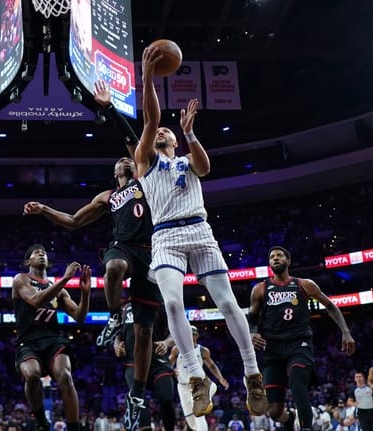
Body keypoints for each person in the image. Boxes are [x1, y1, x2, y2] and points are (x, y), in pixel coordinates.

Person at [133, 44, 266, 418]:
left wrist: (191, 134)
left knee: (227, 303)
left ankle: (251, 373)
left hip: (200, 231)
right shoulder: (145, 160)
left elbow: (205, 168)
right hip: (166, 238)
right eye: (157, 131)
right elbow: (150, 116)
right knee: (173, 303)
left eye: (166, 132)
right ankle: (193, 376)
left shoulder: (188, 158)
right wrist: (146, 78)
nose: (160, 131)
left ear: (174, 140)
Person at [23, 80, 161, 431]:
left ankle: (138, 394)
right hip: (124, 247)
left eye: (128, 159)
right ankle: (115, 316)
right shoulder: (107, 197)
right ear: (115, 174)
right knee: (113, 265)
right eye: (120, 164)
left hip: (153, 252)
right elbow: (73, 221)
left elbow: (133, 137)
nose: (125, 162)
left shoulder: (145, 179)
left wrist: (109, 108)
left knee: (144, 332)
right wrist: (44, 210)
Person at [249, 246, 356, 431]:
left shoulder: (304, 284)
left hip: (299, 344)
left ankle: (306, 428)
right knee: (274, 412)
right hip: (272, 348)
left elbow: (330, 306)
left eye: (279, 255)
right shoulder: (260, 289)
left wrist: (345, 332)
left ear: (288, 261)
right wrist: (252, 332)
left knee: (298, 386)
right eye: (272, 256)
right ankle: (289, 417)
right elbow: (252, 317)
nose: (275, 258)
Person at [13, 244, 91, 431]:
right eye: (36, 253)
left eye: (44, 253)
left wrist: (85, 293)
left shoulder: (59, 289)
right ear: (27, 261)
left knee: (65, 376)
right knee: (32, 375)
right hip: (28, 341)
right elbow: (35, 300)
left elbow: (79, 316)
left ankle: (74, 427)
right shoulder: (21, 279)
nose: (41, 254)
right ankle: (41, 422)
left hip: (53, 339)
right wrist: (65, 278)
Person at [113, 301, 176, 431]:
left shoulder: (159, 305)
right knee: (139, 399)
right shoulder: (123, 309)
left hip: (157, 360)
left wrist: (166, 342)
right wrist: (117, 347)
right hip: (133, 361)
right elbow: (117, 337)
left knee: (166, 399)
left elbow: (174, 332)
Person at [169, 325, 230, 431]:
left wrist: (220, 378)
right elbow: (168, 364)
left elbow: (211, 366)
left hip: (198, 385)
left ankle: (211, 387)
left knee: (198, 412)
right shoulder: (177, 349)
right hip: (183, 387)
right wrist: (170, 370)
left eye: (192, 334)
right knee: (191, 422)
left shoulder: (202, 350)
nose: (189, 336)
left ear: (196, 336)